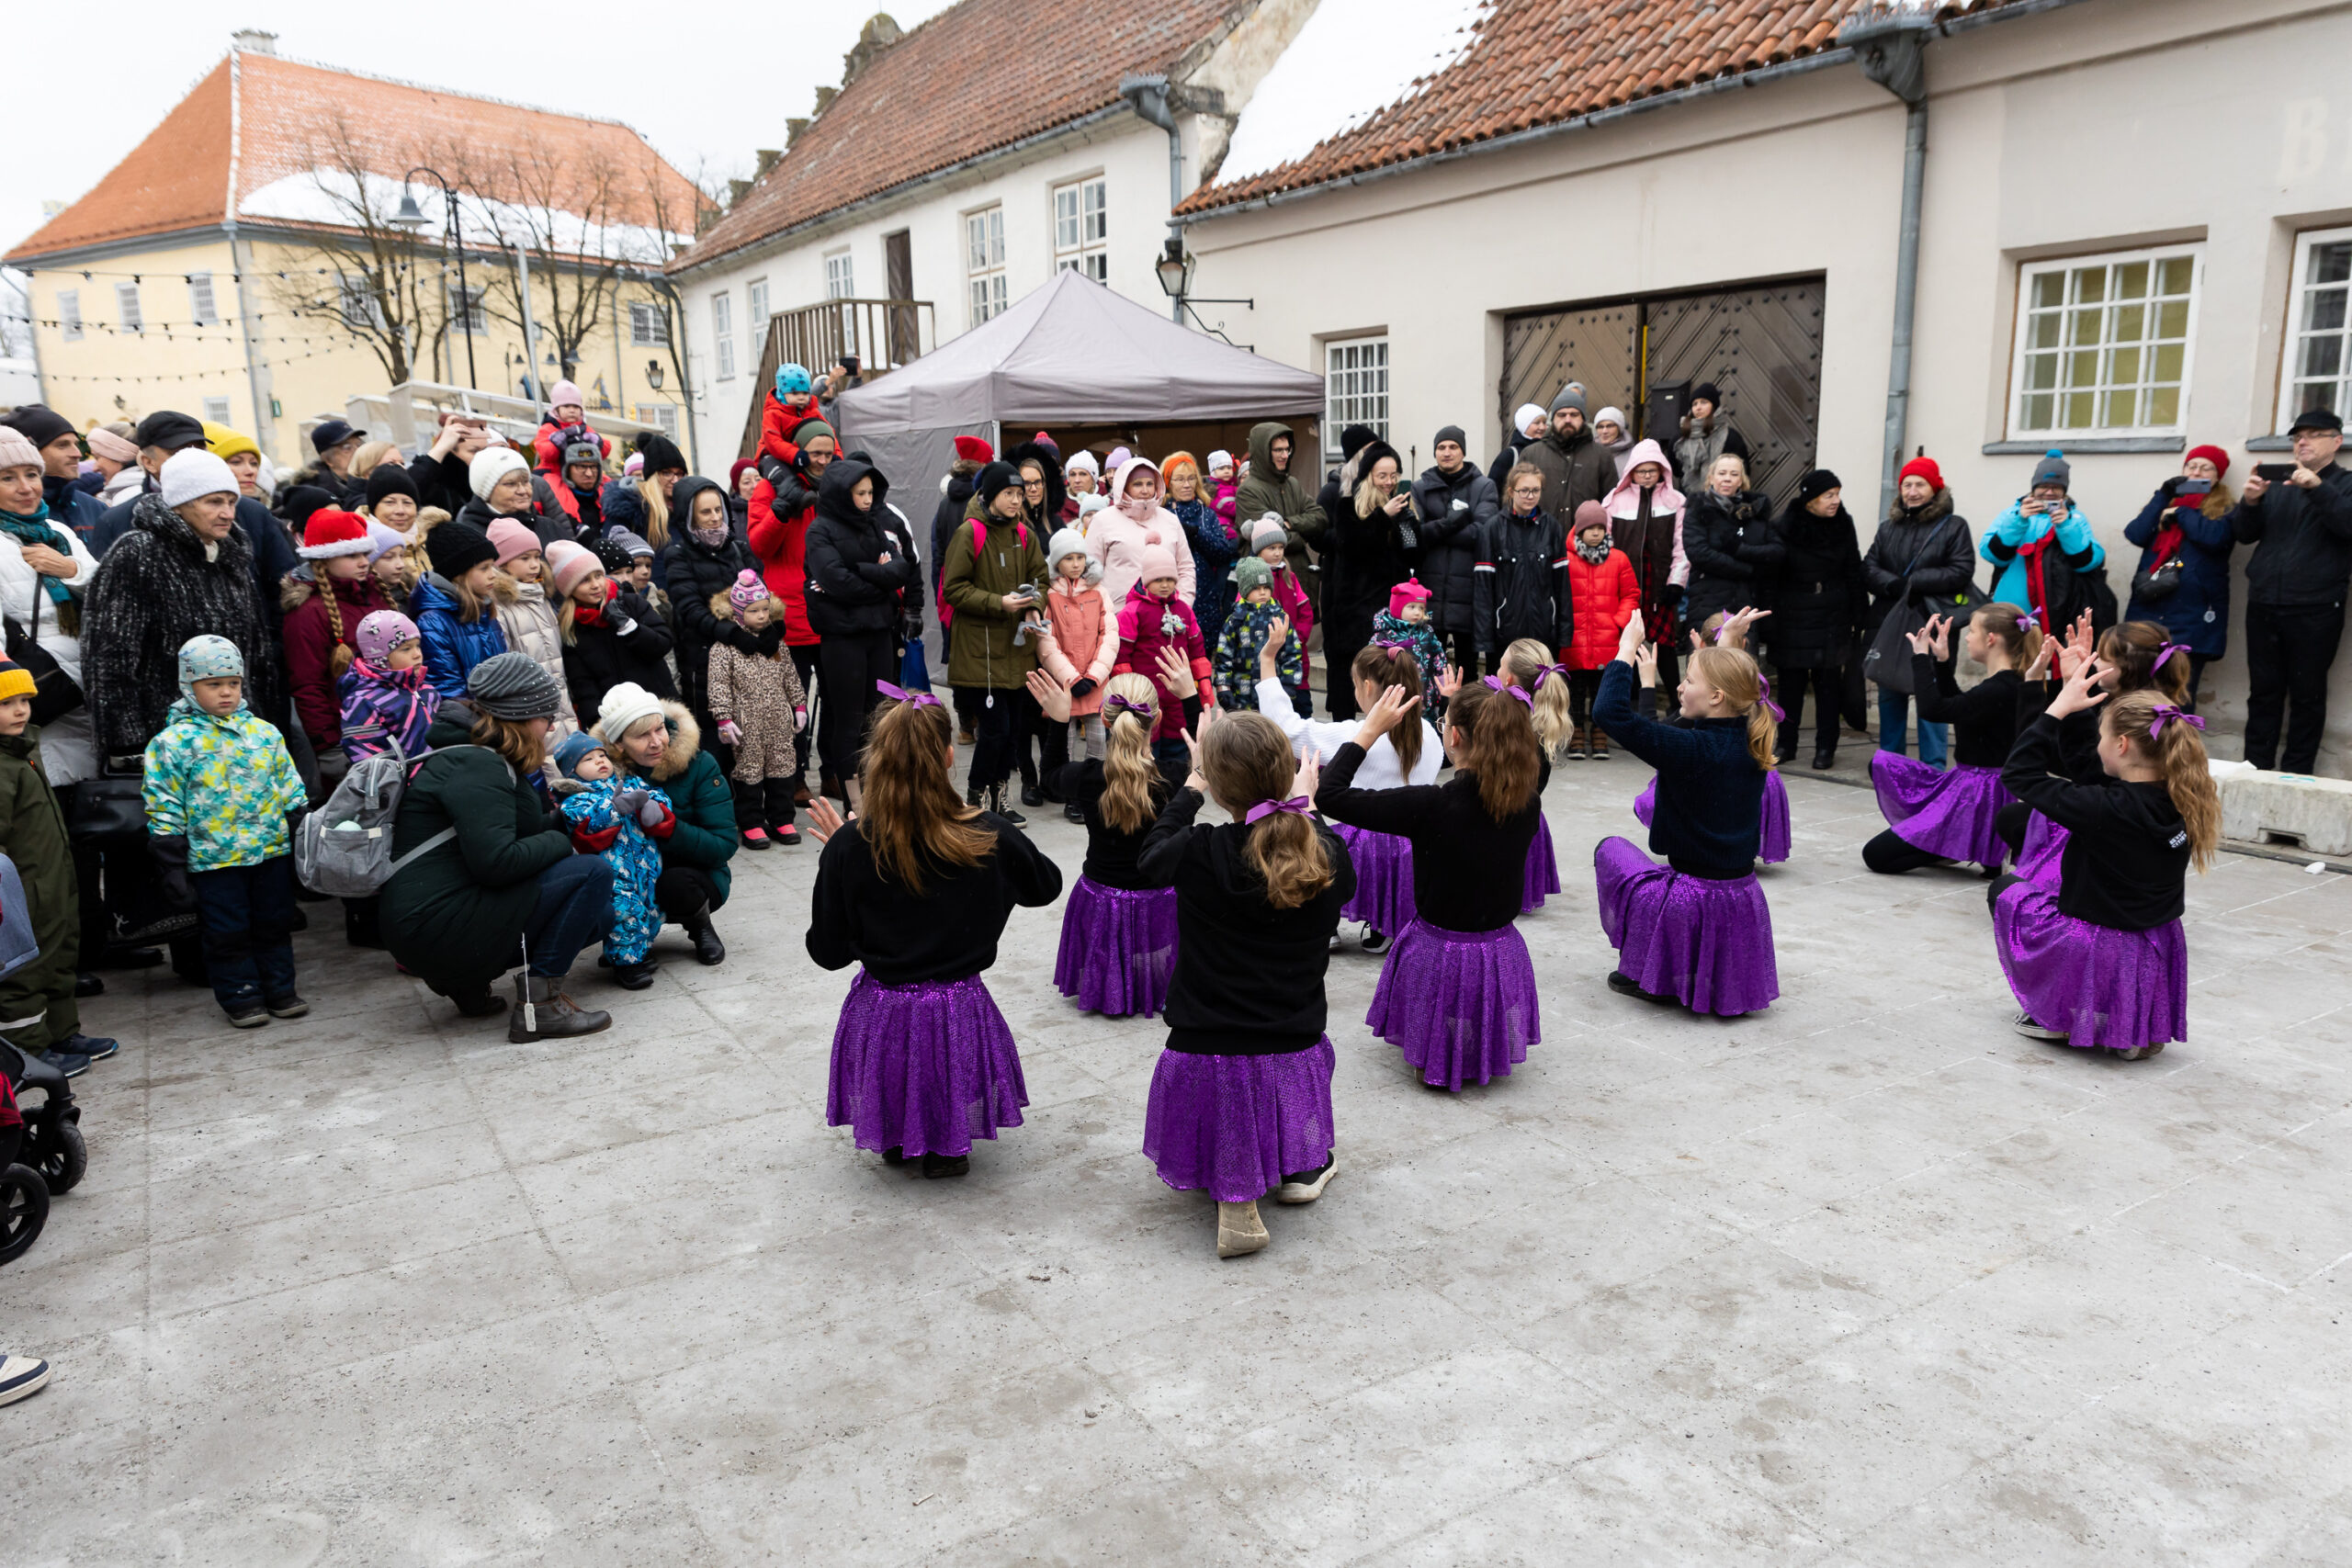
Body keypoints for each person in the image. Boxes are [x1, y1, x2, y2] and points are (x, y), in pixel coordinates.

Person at [806, 687, 1060, 1179]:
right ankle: (948, 1146)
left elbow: (828, 952)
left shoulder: (850, 847)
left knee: (900, 1060)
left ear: (875, 761)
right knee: (945, 1057)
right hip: (959, 1006)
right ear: (947, 756)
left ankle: (899, 1136)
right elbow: (1045, 886)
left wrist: (841, 855)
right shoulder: (986, 832)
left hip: (884, 1008)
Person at [1133, 709, 1349, 1258]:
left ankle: (1234, 1182)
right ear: (1289, 775)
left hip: (1203, 1049)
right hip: (1289, 1042)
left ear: (1219, 786)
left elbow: (1149, 859)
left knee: (1232, 1071)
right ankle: (1297, 1170)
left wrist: (1190, 787)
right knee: (1281, 1068)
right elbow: (1335, 873)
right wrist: (1310, 808)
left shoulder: (1198, 849)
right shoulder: (1326, 853)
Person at [1320, 676, 1544, 1092]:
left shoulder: (1432, 805)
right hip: (1501, 948)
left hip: (1439, 951)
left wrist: (1368, 730)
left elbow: (1329, 794)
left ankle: (1441, 1048)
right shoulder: (1528, 799)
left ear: (1453, 736)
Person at [382, 653, 613, 1036]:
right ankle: (540, 1009)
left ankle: (466, 984)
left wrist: (569, 818)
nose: (552, 726)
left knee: (602, 914)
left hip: (430, 924)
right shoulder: (478, 765)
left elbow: (510, 831)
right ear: (521, 717)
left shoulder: (478, 754)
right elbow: (497, 862)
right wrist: (560, 840)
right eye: (546, 717)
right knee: (591, 875)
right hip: (434, 928)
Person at [1991, 674, 2218, 1059]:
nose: (2096, 747)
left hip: (2096, 943)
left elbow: (2018, 775)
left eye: (2101, 737)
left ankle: (2060, 1015)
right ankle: (2130, 1023)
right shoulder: (2185, 795)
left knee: (2006, 892)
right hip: (2155, 945)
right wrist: (2079, 707)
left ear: (2122, 744)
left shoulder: (2104, 808)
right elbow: (2090, 769)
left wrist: (2057, 710)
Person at [1590, 612, 1780, 1016]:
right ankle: (1672, 968)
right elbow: (1731, 686)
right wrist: (1725, 642)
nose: (1679, 686)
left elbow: (1609, 714)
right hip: (1744, 896)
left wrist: (1624, 650)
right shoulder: (1751, 735)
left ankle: (1658, 971)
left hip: (1689, 899)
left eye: (1688, 681)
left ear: (1715, 697)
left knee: (1612, 851)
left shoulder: (1691, 750)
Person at [142, 636, 309, 1028]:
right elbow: (163, 803)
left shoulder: (263, 734)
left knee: (274, 921)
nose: (226, 693)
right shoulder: (173, 743)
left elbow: (289, 785)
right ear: (189, 685)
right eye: (213, 684)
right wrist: (171, 861)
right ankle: (241, 994)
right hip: (213, 860)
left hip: (269, 851)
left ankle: (280, 988)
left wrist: (300, 828)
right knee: (226, 930)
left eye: (233, 683)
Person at [83, 448, 284, 766]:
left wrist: (263, 725)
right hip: (168, 745)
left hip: (237, 741)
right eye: (214, 502)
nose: (228, 513)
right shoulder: (138, 553)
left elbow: (254, 656)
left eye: (231, 502)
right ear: (180, 505)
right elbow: (110, 656)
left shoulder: (229, 556)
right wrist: (128, 744)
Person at [1258, 636, 1440, 953]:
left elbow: (1286, 729)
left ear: (1368, 687)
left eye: (1355, 684)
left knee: (1316, 838)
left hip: (1362, 848)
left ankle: (1325, 922)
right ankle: (1386, 922)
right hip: (1414, 846)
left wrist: (1268, 662)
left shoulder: (1352, 735)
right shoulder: (1430, 734)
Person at [1033, 668, 1190, 1017]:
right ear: (1158, 719)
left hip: (1101, 897)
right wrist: (1191, 698)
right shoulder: (1176, 778)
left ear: (1103, 718)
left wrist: (1059, 721)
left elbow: (1049, 777)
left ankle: (1112, 984)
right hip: (1159, 900)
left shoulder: (1087, 777)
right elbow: (1207, 760)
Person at [0, 659, 112, 1071]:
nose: (20, 710)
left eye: (25, 699)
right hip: (23, 894)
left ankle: (62, 1033)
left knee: (60, 960)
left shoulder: (25, 752)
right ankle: (29, 1053)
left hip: (52, 884)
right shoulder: (1, 767)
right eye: (6, 702)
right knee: (24, 974)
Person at [1865, 604, 2034, 876]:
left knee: (1876, 856)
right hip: (1967, 783)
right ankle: (1946, 843)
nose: (1967, 638)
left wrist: (1920, 658)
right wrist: (1942, 663)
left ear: (1991, 639)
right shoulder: (2006, 683)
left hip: (1979, 794)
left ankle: (1948, 844)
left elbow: (1934, 711)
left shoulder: (1998, 689)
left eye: (1973, 631)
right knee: (1883, 764)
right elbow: (1962, 711)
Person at [2232, 406, 2352, 773]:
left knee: (2308, 697)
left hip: (2316, 607)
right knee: (2263, 694)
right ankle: (2255, 770)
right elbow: (2244, 533)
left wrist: (2318, 488)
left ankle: (2297, 776)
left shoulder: (2345, 483)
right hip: (2265, 603)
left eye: (2313, 434)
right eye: (2298, 436)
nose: (2302, 441)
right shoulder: (2278, 483)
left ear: (2337, 441)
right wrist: (2250, 501)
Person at [805, 457, 920, 812]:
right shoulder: (819, 530)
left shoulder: (873, 525)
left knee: (879, 717)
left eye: (871, 492)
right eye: (860, 493)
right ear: (843, 494)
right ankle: (854, 803)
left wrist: (863, 572)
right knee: (849, 720)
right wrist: (878, 578)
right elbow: (834, 580)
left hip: (878, 634)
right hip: (842, 639)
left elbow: (901, 568)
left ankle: (876, 793)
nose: (868, 499)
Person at [595, 682, 735, 966]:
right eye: (642, 735)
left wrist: (671, 829)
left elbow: (724, 844)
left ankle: (700, 926)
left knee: (676, 884)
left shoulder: (699, 764)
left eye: (659, 729)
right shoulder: (599, 771)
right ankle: (624, 938)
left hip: (692, 871)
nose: (656, 741)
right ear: (618, 743)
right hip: (630, 871)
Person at [941, 461, 1047, 821]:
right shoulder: (970, 532)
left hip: (1017, 649)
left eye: (1020, 494)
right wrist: (997, 603)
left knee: (1013, 732)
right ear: (989, 495)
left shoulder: (1025, 535)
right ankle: (975, 801)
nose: (1018, 500)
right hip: (981, 652)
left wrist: (1034, 606)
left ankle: (1000, 801)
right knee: (995, 730)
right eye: (1009, 493)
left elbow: (1041, 579)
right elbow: (952, 588)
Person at [0, 425, 101, 787]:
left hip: (87, 694)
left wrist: (70, 570)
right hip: (37, 699)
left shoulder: (60, 533)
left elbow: (109, 597)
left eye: (31, 474)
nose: (26, 487)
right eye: (7, 478)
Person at [1863, 455, 1977, 768]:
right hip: (1893, 618)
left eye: (1920, 485)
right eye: (1906, 485)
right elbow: (1870, 567)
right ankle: (1890, 764)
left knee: (1934, 693)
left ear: (1935, 488)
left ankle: (1934, 768)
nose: (1912, 491)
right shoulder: (1888, 528)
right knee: (1890, 691)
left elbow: (1962, 569)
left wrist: (1914, 582)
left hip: (1934, 621)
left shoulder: (1954, 527)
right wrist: (1894, 586)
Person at [550, 725, 674, 990]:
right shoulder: (576, 799)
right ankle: (626, 964)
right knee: (625, 913)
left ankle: (638, 951)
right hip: (615, 870)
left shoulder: (629, 782)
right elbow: (587, 820)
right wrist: (615, 807)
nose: (599, 762)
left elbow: (652, 794)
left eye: (602, 756)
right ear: (571, 770)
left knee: (651, 909)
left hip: (646, 863)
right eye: (588, 759)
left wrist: (655, 805)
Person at [749, 420, 831, 799]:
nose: (822, 461)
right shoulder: (769, 488)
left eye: (829, 454)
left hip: (829, 611)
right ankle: (794, 775)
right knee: (791, 702)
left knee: (834, 699)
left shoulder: (834, 487)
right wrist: (783, 508)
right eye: (816, 453)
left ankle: (833, 771)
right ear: (799, 451)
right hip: (786, 613)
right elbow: (760, 546)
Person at [2121, 445, 2236, 709]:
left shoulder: (2225, 509)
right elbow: (2136, 534)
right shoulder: (2165, 501)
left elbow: (2214, 538)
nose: (2196, 472)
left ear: (2217, 476)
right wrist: (2163, 496)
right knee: (2138, 691)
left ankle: (2175, 748)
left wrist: (2181, 513)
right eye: (2191, 466)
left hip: (2192, 616)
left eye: (2206, 468)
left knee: (2179, 694)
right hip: (2150, 608)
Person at [283, 509, 397, 773]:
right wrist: (328, 746)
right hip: (348, 740)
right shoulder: (308, 613)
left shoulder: (373, 595)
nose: (363, 562)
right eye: (351, 555)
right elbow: (307, 685)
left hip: (393, 726)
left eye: (365, 554)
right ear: (324, 559)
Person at [1768, 469, 1867, 769]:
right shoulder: (1785, 526)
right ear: (1811, 499)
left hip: (1832, 615)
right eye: (1829, 495)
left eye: (1838, 494)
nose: (1836, 501)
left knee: (1828, 687)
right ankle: (1786, 743)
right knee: (1790, 687)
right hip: (1793, 616)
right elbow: (1772, 577)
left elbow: (1853, 567)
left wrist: (1859, 613)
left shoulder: (1843, 524)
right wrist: (1770, 620)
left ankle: (1826, 747)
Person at [705, 570, 806, 849]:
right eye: (754, 611)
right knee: (749, 772)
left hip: (778, 720)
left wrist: (798, 704)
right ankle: (751, 822)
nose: (762, 616)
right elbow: (719, 685)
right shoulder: (725, 648)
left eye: (765, 609)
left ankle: (782, 818)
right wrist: (724, 718)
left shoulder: (777, 644)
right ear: (738, 613)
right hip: (746, 723)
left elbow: (790, 676)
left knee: (783, 767)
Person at [1317, 438, 1409, 721]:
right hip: (1354, 610)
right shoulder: (1347, 507)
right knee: (1350, 679)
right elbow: (1352, 546)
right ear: (1369, 475)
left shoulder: (1401, 507)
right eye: (1383, 475)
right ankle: (1346, 743)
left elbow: (1414, 552)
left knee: (1388, 678)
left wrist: (1407, 521)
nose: (1389, 481)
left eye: (1394, 475)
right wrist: (1383, 516)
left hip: (1389, 609)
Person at [1597, 438, 1690, 713]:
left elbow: (1682, 546)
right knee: (1631, 644)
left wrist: (1677, 583)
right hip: (1626, 585)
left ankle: (1677, 706)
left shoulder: (1676, 501)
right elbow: (1606, 544)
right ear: (1631, 472)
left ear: (1662, 470)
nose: (1647, 475)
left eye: (1652, 470)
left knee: (1665, 646)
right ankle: (1633, 706)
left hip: (1662, 583)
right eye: (1641, 470)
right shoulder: (1614, 501)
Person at [1407, 427, 1498, 685]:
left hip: (1469, 592)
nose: (1447, 452)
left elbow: (1482, 534)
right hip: (1429, 593)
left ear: (1463, 451)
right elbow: (1417, 535)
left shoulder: (1484, 486)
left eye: (1453, 447)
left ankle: (1464, 724)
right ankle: (1432, 724)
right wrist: (1456, 521)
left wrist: (1437, 528)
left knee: (1467, 671)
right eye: (1441, 447)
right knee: (1428, 669)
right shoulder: (1421, 487)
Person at [1112, 545, 1212, 775]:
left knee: (1178, 738)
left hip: (1178, 692)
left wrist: (1203, 680)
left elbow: (1197, 648)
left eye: (1170, 579)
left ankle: (1175, 780)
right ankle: (1145, 780)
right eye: (1158, 579)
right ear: (1146, 581)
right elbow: (1122, 654)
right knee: (1147, 740)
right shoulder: (1133, 611)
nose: (1165, 584)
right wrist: (1127, 688)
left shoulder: (1184, 610)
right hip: (1147, 693)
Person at [1984, 449, 2104, 634]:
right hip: (2010, 609)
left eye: (2056, 487)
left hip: (2055, 612)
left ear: (2064, 491)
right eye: (2044, 486)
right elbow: (1992, 555)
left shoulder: (2075, 519)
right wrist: (2018, 522)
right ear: (2034, 487)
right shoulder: (2012, 514)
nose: (2049, 492)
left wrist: (2066, 527)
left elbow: (2087, 563)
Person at [557, 537, 674, 724]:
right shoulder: (572, 628)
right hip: (620, 722)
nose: (595, 585)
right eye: (584, 580)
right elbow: (583, 686)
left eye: (598, 576)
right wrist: (600, 724)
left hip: (660, 707)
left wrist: (629, 627)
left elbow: (663, 643)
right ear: (569, 588)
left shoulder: (631, 603)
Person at [1035, 528, 1113, 807]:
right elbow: (1047, 642)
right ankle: (1069, 794)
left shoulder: (1099, 591)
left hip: (1094, 683)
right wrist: (1071, 677)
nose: (1076, 563)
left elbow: (1109, 636)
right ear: (1057, 562)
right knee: (1063, 741)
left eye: (1080, 557)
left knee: (1097, 740)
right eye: (1069, 558)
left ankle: (1093, 793)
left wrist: (1094, 676)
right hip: (1065, 685)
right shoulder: (1049, 596)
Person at [1492, 640, 1569, 908]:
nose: (1496, 670)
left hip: (1501, 820)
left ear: (1509, 678)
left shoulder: (1503, 720)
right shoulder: (1540, 719)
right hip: (1530, 816)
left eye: (1500, 665)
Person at [1475, 463, 1574, 669]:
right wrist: (1484, 639)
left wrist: (1564, 633)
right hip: (1505, 636)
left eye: (1536, 490)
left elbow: (1562, 586)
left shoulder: (1552, 528)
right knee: (1505, 696)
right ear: (1511, 491)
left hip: (1544, 634)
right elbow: (1483, 589)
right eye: (1524, 490)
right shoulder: (1493, 528)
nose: (1530, 496)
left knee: (1542, 695)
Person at [1560, 502, 1640, 760]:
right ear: (1578, 530)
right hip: (1575, 639)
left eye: (1600, 528)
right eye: (1589, 528)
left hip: (1607, 638)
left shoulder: (1619, 558)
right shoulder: (1565, 558)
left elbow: (1631, 594)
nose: (1595, 533)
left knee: (1601, 690)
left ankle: (1599, 733)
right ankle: (1576, 734)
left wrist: (1618, 622)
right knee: (1575, 690)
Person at [487, 521, 579, 741]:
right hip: (531, 705)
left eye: (537, 557)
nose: (534, 565)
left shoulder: (540, 596)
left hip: (559, 696)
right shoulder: (500, 606)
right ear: (503, 563)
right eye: (524, 558)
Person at [408, 521, 510, 701]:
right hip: (473, 721)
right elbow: (447, 687)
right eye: (484, 568)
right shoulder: (433, 621)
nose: (493, 574)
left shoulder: (484, 609)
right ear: (458, 573)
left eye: (492, 566)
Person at [1681, 453, 1783, 631]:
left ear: (1741, 480)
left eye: (1734, 474)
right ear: (1711, 477)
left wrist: (1740, 549)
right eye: (1722, 473)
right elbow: (1700, 554)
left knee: (1743, 657)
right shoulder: (1698, 510)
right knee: (1708, 656)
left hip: (1746, 601)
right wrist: (1748, 569)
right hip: (1707, 599)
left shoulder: (1755, 513)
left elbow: (1776, 551)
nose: (1727, 478)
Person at [1236, 422, 1327, 613]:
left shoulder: (1292, 483)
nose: (1285, 455)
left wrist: (1289, 523)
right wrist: (1302, 535)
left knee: (1300, 638)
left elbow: (1320, 518)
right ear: (1262, 451)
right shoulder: (1248, 490)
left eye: (1287, 449)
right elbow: (1266, 540)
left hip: (1298, 581)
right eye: (1278, 450)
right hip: (1265, 587)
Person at [337, 611, 438, 764]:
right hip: (404, 784)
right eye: (406, 649)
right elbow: (367, 759)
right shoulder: (364, 701)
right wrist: (401, 781)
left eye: (418, 646)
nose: (417, 654)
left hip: (442, 776)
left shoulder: (427, 691)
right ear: (380, 658)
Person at [0, 406, 107, 547]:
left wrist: (74, 569)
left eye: (76, 444)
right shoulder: (18, 513)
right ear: (32, 452)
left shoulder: (95, 507)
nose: (77, 454)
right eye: (62, 445)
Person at [1162, 452, 1238, 649]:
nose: (1187, 485)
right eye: (1180, 479)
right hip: (1171, 598)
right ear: (1168, 482)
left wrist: (1197, 534)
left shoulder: (1207, 513)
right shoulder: (1163, 514)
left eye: (1191, 478)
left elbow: (1223, 553)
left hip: (1207, 600)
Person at [1519, 385, 1615, 524]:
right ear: (1553, 418)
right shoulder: (1532, 454)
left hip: (1585, 541)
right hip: (1540, 538)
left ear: (1583, 419)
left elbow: (1610, 503)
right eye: (1562, 415)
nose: (1568, 420)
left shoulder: (1602, 456)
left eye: (1574, 415)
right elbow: (1517, 501)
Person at [1370, 578, 1447, 701]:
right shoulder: (1383, 635)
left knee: (1424, 719)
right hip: (1392, 696)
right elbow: (1371, 661)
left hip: (1424, 694)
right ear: (1397, 608)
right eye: (1411, 607)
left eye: (1421, 608)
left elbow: (1439, 657)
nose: (1417, 612)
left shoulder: (1427, 632)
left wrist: (1443, 681)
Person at [1672, 381, 1749, 498]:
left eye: (1704, 402)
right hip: (1687, 500)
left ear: (1714, 406)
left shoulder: (1730, 437)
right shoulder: (1680, 438)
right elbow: (1677, 470)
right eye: (1694, 404)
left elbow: (1743, 471)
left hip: (1722, 500)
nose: (1698, 407)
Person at [531, 382, 608, 479]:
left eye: (576, 407)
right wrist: (557, 443)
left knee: (606, 485)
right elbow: (547, 454)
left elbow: (604, 452)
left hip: (581, 473)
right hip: (554, 472)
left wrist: (598, 442)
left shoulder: (584, 429)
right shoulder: (548, 428)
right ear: (556, 410)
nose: (572, 410)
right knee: (553, 487)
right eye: (566, 406)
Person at [300, 417, 369, 507]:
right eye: (347, 448)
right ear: (328, 460)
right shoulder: (315, 495)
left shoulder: (373, 478)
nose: (358, 451)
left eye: (359, 445)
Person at [1488, 402, 1547, 489]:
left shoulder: (1548, 452)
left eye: (1544, 423)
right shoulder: (1509, 455)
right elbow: (1493, 489)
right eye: (1537, 423)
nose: (1542, 427)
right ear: (1524, 425)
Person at [1591, 406, 1634, 480]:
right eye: (1600, 427)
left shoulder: (1633, 455)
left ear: (1619, 428)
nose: (1604, 431)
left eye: (1610, 426)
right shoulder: (1589, 452)